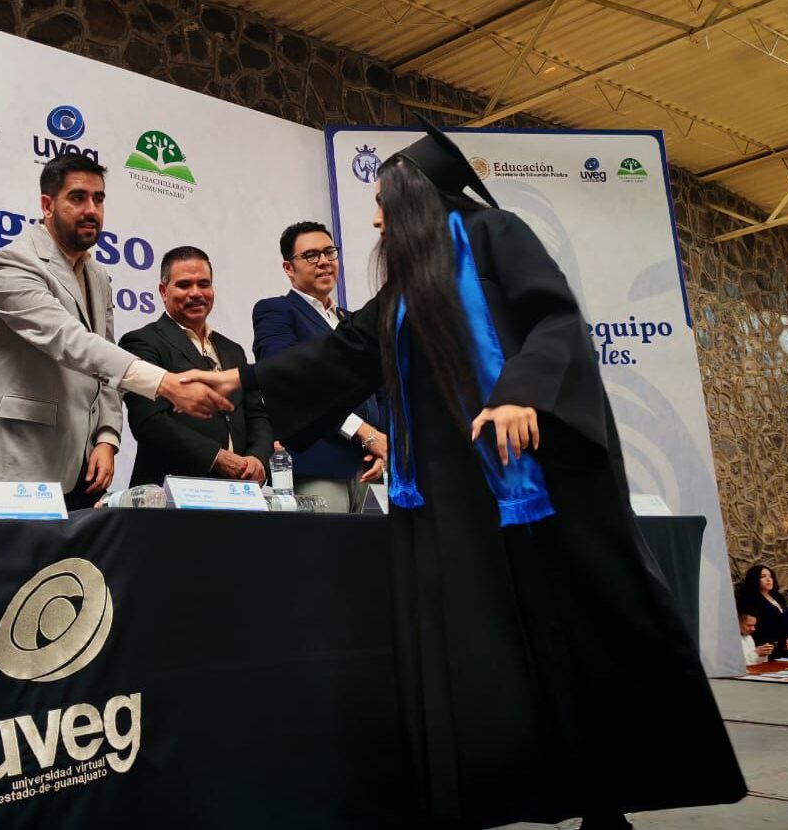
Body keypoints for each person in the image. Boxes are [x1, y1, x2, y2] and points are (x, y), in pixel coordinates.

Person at [178, 117, 744, 828]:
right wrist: (239, 379)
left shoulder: (496, 235)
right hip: (450, 499)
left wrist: (519, 393)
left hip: (527, 487)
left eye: (382, 203)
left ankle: (605, 803)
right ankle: (486, 795)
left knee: (568, 633)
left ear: (417, 197)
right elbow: (343, 353)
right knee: (477, 651)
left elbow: (555, 320)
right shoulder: (408, 286)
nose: (375, 220)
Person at [0, 155, 230, 511]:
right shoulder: (13, 263)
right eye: (78, 198)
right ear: (47, 205)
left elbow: (105, 364)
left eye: (99, 199)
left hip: (84, 468)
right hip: (19, 462)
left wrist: (106, 438)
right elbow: (71, 342)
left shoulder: (98, 276)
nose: (91, 209)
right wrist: (165, 383)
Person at [252, 220, 385, 511]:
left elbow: (381, 387)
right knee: (328, 540)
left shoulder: (352, 320)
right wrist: (365, 433)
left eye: (329, 252)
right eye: (311, 255)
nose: (324, 261)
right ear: (288, 268)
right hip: (318, 465)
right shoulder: (277, 311)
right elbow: (287, 382)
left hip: (371, 467)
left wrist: (384, 445)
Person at [119, 246, 272, 487]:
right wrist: (217, 457)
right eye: (184, 285)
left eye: (203, 284)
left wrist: (257, 457)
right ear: (163, 291)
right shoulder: (141, 342)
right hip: (172, 491)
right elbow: (149, 422)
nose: (196, 293)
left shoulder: (233, 350)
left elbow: (257, 415)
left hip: (239, 490)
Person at [735, 564, 788, 659]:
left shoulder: (778, 597)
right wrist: (780, 643)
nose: (768, 579)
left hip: (785, 649)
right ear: (755, 579)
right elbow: (758, 626)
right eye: (763, 576)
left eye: (770, 576)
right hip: (766, 648)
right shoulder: (751, 600)